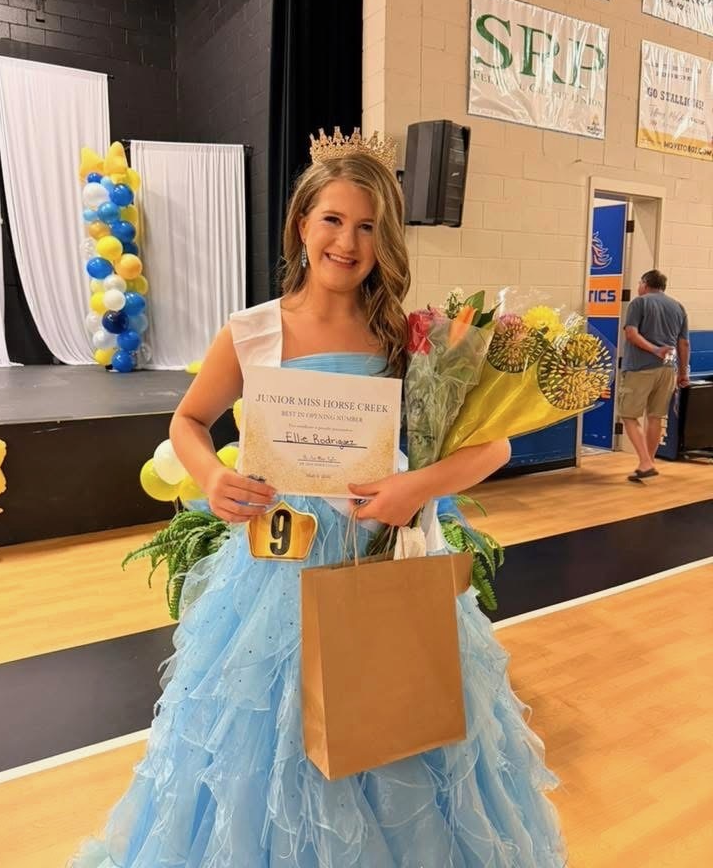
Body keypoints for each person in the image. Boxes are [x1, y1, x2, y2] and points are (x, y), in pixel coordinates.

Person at [70, 136, 565, 867]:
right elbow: (189, 422)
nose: (348, 241)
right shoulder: (253, 330)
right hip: (278, 570)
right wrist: (210, 478)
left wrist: (413, 487)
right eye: (332, 220)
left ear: (385, 238)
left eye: (368, 226)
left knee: (399, 722)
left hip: (384, 564)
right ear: (301, 222)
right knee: (270, 745)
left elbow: (492, 447)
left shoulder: (410, 337)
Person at [620, 269, 689, 483]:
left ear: (645, 283)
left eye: (640, 283)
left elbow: (631, 334)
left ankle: (645, 462)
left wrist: (654, 349)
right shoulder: (678, 307)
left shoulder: (639, 303)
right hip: (668, 369)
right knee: (655, 416)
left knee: (629, 415)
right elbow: (684, 343)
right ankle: (648, 462)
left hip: (640, 368)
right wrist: (683, 372)